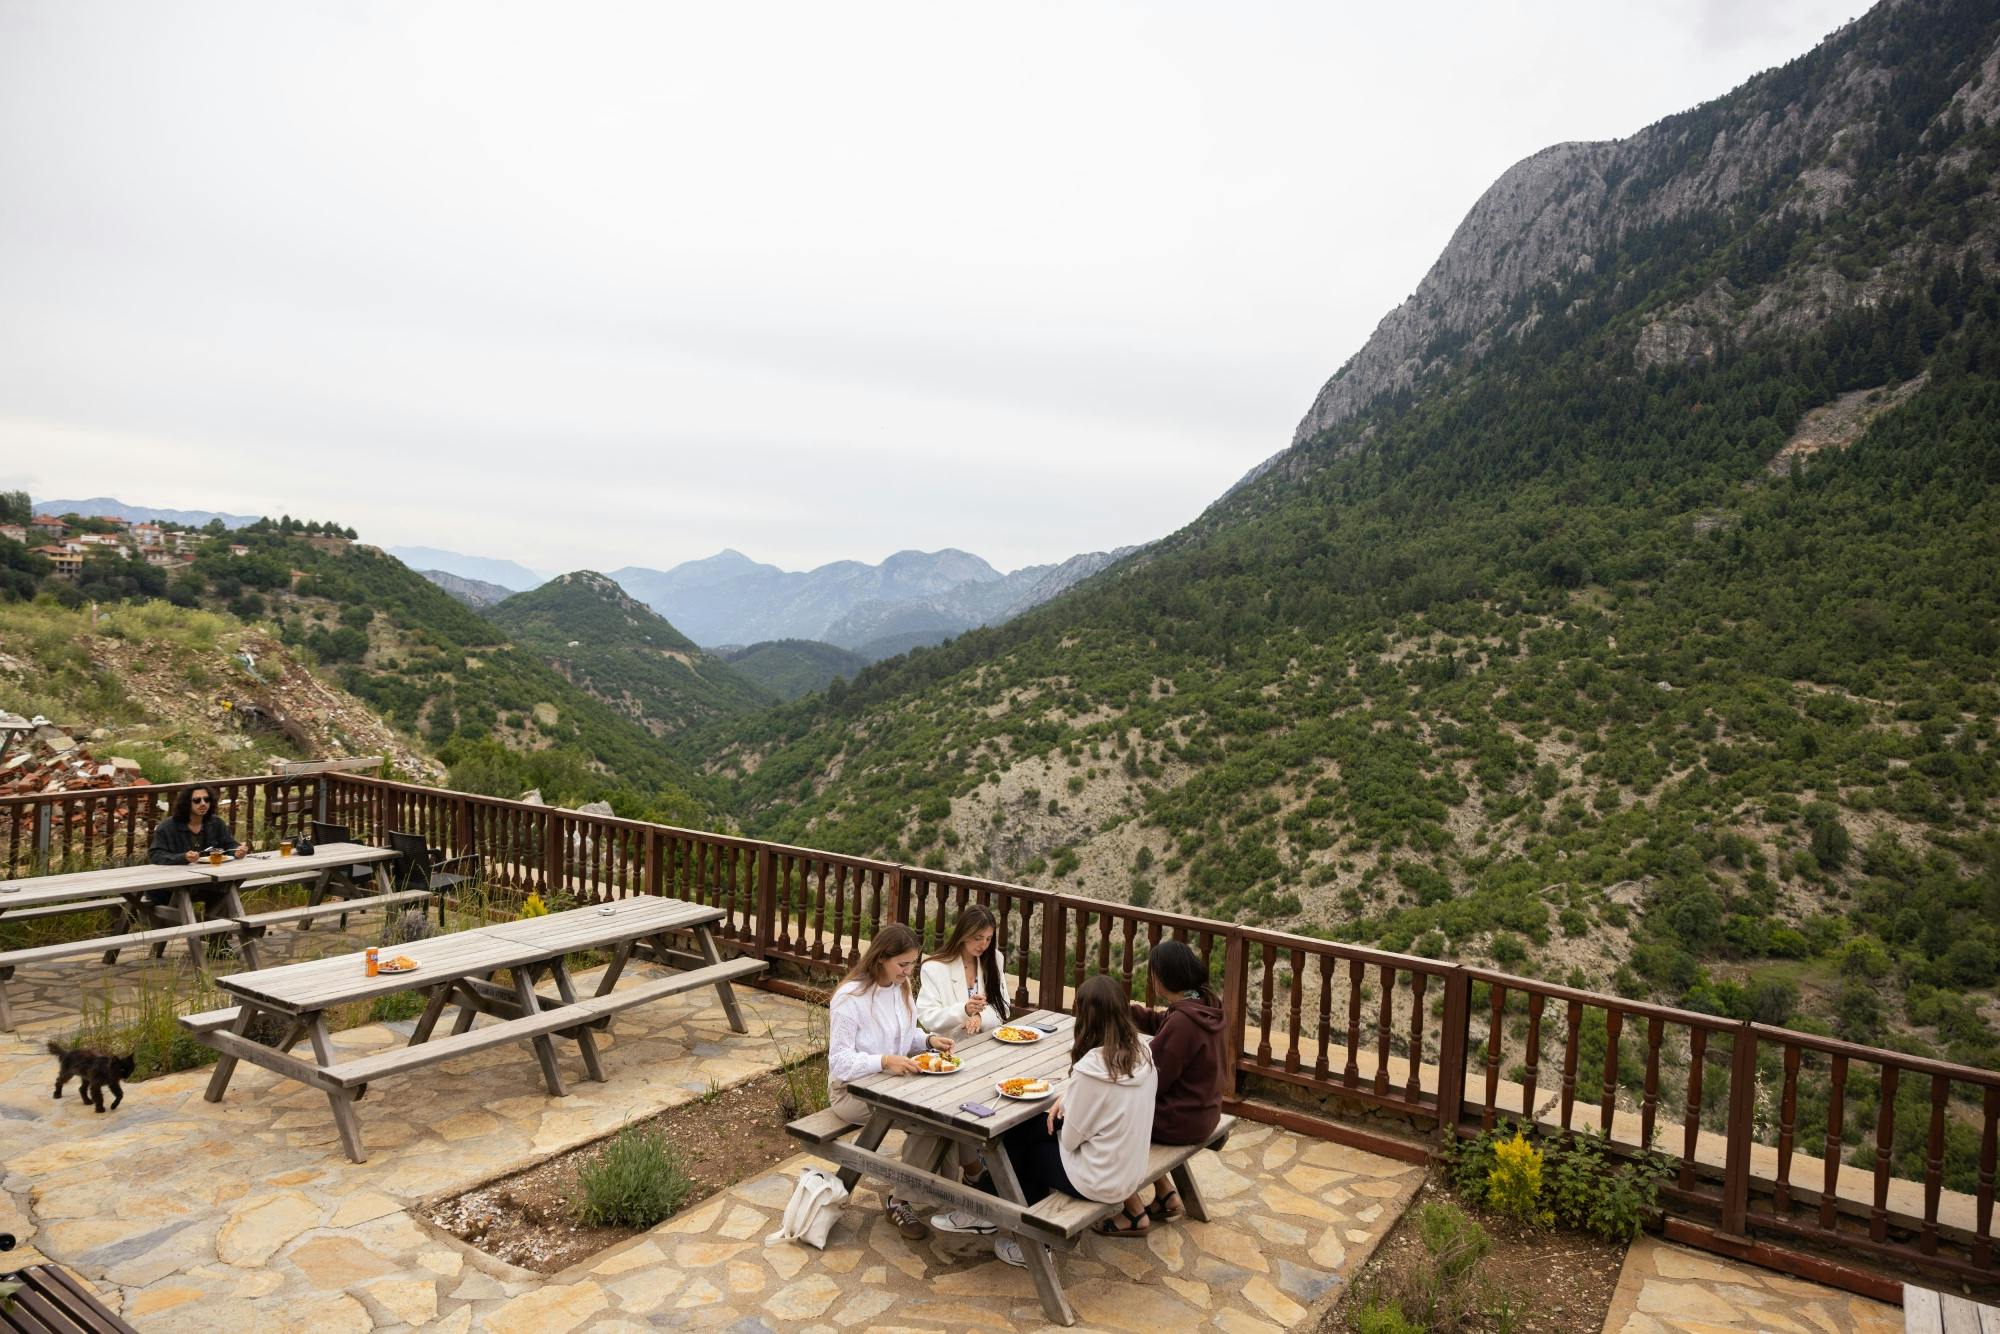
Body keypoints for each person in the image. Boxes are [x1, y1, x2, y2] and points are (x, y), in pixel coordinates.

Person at [935, 974, 1157, 1263]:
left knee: (1021, 1151)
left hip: (1099, 1177)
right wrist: (1067, 1101)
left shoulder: (1092, 1069)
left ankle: (1029, 1242)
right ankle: (987, 1209)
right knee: (1025, 1133)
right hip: (1130, 1167)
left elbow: (1073, 1139)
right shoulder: (1143, 1053)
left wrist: (1068, 1106)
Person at [826, 923, 957, 1241]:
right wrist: (884, 1061)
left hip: (892, 1085)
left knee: (951, 1113)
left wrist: (929, 1041)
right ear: (881, 958)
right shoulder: (849, 998)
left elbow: (904, 1036)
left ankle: (951, 1191)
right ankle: (899, 1201)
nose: (909, 971)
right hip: (852, 1092)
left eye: (912, 963)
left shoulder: (901, 987)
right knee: (929, 1123)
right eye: (903, 964)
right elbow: (839, 1062)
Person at [1108, 938, 1227, 1233]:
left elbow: (1152, 1081)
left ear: (1162, 977)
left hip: (1183, 1119)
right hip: (1204, 1109)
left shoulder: (1183, 1022)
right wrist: (1126, 1011)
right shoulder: (1203, 1004)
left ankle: (1133, 1212)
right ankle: (1165, 1194)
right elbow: (1163, 1022)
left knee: (1108, 1118)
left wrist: (1112, 1075)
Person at [917, 904, 1011, 1038]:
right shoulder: (934, 968)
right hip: (950, 1046)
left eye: (988, 938)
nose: (983, 944)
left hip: (987, 1044)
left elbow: (1003, 1007)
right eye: (978, 938)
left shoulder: (995, 959)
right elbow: (928, 1018)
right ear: (964, 934)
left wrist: (981, 1017)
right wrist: (964, 1010)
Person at [143, 787, 246, 904]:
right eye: (197, 800)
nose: (203, 803)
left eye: (206, 799)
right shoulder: (167, 827)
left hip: (207, 882)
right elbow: (155, 855)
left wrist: (237, 850)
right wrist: (183, 857)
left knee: (227, 887)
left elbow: (230, 844)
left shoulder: (216, 823)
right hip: (170, 886)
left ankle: (216, 916)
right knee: (222, 889)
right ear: (186, 803)